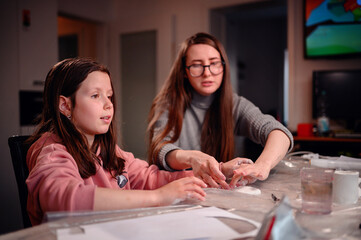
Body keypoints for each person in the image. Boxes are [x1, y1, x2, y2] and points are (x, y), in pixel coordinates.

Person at [25, 57, 208, 226]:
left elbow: (149, 178)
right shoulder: (50, 151)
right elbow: (63, 198)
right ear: (65, 105)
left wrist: (212, 174)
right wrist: (157, 197)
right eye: (95, 95)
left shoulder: (107, 149)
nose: (109, 104)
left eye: (109, 96)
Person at [147, 32, 293, 189]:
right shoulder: (167, 104)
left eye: (214, 63)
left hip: (218, 194)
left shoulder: (234, 104)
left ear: (223, 67)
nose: (207, 73)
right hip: (175, 191)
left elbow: (279, 132)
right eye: (197, 65)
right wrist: (192, 158)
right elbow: (160, 149)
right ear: (184, 72)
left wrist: (262, 165)